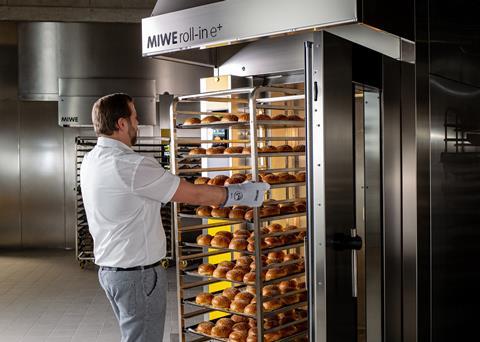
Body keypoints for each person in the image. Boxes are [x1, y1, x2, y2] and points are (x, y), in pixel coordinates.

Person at [80, 93, 269, 342]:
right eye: (135, 118)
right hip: (138, 275)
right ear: (122, 124)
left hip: (111, 272)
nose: (138, 123)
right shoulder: (132, 165)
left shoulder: (91, 160)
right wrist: (239, 193)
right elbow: (194, 194)